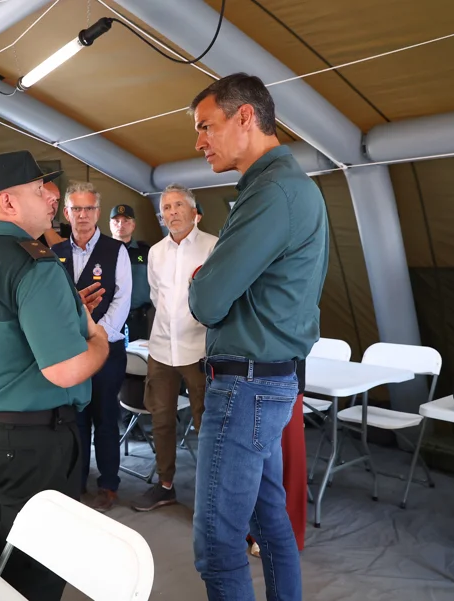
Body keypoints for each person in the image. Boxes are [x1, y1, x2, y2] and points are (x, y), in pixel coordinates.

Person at [0, 150, 109, 601]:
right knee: (34, 568)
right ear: (10, 204)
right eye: (40, 190)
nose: (52, 198)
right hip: (30, 443)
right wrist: (99, 341)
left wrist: (65, 310)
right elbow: (66, 369)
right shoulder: (34, 263)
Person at [187, 73, 329, 601]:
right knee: (269, 522)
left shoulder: (270, 193)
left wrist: (203, 280)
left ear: (245, 117)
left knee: (219, 546)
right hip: (265, 382)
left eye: (207, 127)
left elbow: (206, 300)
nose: (200, 141)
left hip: (246, 387)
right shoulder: (284, 187)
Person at [130, 184, 217, 512]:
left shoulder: (213, 247)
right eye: (166, 207)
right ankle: (165, 485)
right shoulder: (155, 252)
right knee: (161, 419)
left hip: (199, 351)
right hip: (162, 349)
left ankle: (210, 495)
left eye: (179, 205)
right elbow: (156, 296)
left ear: (194, 212)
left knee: (204, 423)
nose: (172, 212)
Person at [52, 182, 131, 513]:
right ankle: (77, 480)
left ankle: (109, 484)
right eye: (75, 209)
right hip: (70, 352)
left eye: (88, 209)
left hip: (108, 351)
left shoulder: (117, 251)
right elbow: (52, 304)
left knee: (106, 416)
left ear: (97, 213)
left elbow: (122, 300)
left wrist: (97, 336)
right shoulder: (55, 254)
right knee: (76, 417)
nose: (82, 216)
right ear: (66, 213)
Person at [109, 203, 152, 341]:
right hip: (109, 318)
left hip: (138, 318)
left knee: (137, 360)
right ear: (110, 224)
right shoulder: (101, 252)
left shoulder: (146, 252)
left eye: (126, 221)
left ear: (133, 225)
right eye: (116, 221)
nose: (121, 224)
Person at [36, 180, 68, 247]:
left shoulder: (66, 230)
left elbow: (63, 250)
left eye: (56, 200)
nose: (53, 205)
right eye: (49, 199)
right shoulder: (19, 229)